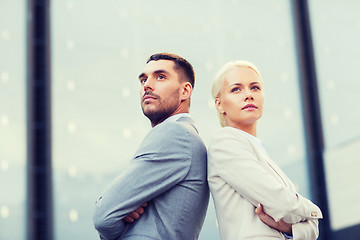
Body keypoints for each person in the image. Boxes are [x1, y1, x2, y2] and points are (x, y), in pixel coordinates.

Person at [93, 53, 209, 240]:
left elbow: (103, 216)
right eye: (143, 79)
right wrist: (123, 209)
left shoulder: (175, 133)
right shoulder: (186, 137)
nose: (147, 84)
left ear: (185, 91)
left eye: (160, 77)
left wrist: (120, 217)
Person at [208, 60, 323, 240]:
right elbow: (282, 204)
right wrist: (313, 211)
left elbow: (312, 231)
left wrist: (289, 226)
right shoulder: (224, 142)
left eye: (255, 88)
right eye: (236, 89)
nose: (248, 95)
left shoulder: (258, 150)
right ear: (219, 104)